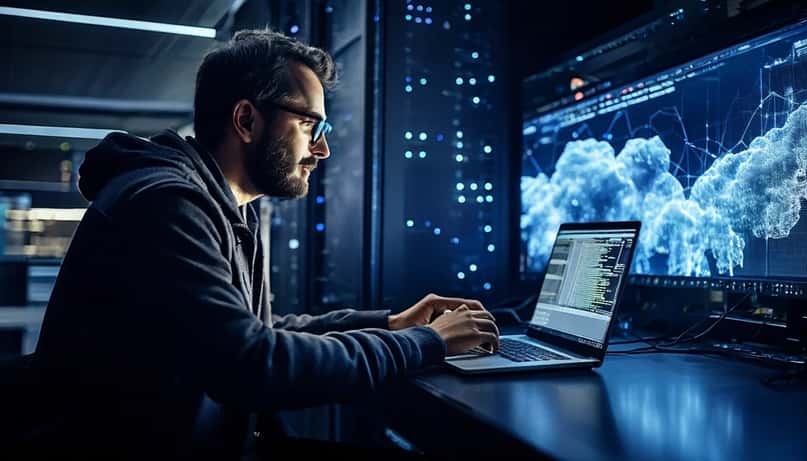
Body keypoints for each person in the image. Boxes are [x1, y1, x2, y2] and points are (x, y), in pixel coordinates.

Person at [21, 29, 500, 458]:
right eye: (310, 126)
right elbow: (252, 364)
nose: (322, 150)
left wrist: (391, 325)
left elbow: (254, 333)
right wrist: (425, 344)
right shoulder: (166, 204)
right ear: (246, 120)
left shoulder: (222, 205)